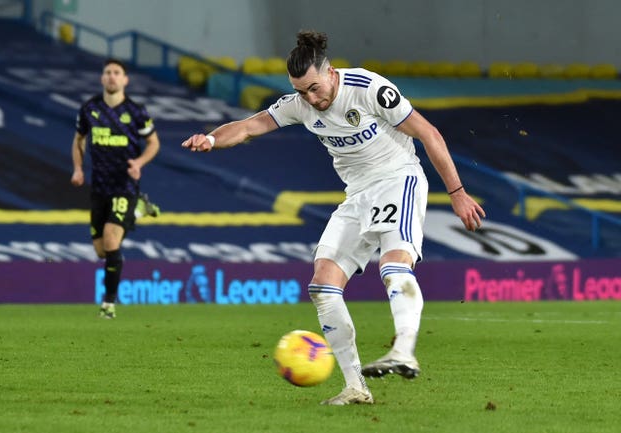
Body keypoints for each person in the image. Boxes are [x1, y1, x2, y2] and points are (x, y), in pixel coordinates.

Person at [182, 31, 485, 405]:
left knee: (392, 265)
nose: (311, 98)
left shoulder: (369, 88)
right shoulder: (300, 103)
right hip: (357, 195)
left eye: (313, 87)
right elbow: (249, 126)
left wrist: (457, 193)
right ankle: (356, 386)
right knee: (322, 285)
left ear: (330, 71)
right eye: (301, 91)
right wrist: (211, 139)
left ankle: (404, 350)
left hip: (398, 179)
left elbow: (428, 133)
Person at [71, 58, 161, 319]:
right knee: (101, 251)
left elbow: (154, 143)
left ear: (125, 80)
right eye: (107, 72)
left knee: (111, 239)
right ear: (102, 78)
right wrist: (77, 168)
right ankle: (138, 212)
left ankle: (108, 304)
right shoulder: (89, 109)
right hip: (99, 186)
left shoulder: (136, 111)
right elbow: (78, 140)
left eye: (117, 73)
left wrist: (140, 162)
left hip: (125, 184)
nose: (111, 76)